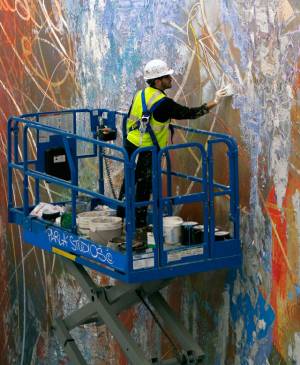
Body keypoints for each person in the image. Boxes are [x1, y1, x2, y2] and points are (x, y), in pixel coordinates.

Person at [118, 59, 228, 228]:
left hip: (131, 143)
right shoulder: (164, 103)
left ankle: (120, 217)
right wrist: (215, 101)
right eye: (167, 77)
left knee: (129, 181)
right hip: (147, 148)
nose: (171, 79)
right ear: (157, 81)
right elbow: (190, 113)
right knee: (143, 187)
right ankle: (137, 228)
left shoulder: (140, 94)